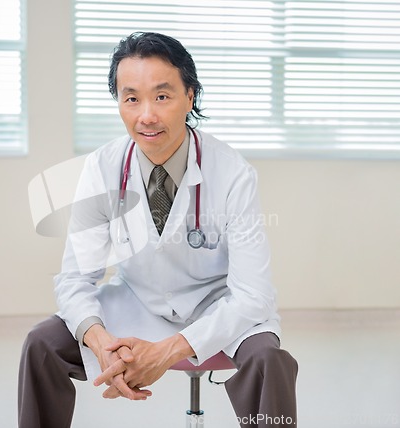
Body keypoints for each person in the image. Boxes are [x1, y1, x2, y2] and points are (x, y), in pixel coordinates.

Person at [18, 32, 298, 428]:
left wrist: (167, 351)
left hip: (216, 306)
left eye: (162, 96)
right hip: (137, 303)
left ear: (190, 96)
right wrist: (100, 340)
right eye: (131, 98)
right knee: (42, 343)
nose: (146, 115)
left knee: (269, 359)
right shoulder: (102, 169)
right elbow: (75, 279)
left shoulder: (233, 174)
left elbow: (254, 295)